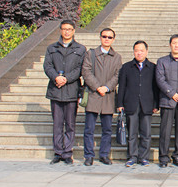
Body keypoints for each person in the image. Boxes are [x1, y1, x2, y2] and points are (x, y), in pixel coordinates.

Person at [44, 20, 86, 165]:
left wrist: (66, 78)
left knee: (70, 124)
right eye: (64, 29)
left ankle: (67, 152)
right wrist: (56, 77)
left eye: (69, 29)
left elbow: (80, 69)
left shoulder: (80, 49)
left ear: (74, 31)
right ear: (60, 30)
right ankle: (58, 152)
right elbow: (47, 66)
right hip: (55, 90)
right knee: (57, 124)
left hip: (71, 91)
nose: (66, 32)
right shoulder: (52, 48)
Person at [81, 28, 122, 166]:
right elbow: (86, 71)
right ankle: (89, 155)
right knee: (89, 129)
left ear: (113, 39)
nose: (107, 39)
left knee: (107, 129)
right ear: (100, 37)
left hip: (108, 96)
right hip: (93, 94)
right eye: (104, 36)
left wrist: (107, 87)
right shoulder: (91, 54)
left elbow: (118, 75)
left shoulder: (117, 57)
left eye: (110, 37)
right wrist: (98, 86)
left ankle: (104, 155)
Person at [116, 41, 159, 167]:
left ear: (146, 51)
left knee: (146, 133)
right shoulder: (126, 67)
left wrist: (156, 104)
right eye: (136, 50)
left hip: (147, 104)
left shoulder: (153, 67)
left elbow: (156, 88)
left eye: (141, 50)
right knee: (132, 132)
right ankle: (132, 156)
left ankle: (144, 157)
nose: (139, 53)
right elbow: (122, 87)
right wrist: (119, 103)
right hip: (131, 103)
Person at [155, 34, 178, 168]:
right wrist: (171, 93)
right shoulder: (162, 61)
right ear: (170, 45)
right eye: (174, 43)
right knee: (165, 131)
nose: (176, 45)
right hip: (167, 101)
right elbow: (160, 80)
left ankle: (177, 156)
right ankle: (163, 157)